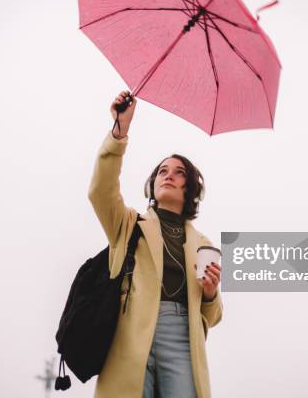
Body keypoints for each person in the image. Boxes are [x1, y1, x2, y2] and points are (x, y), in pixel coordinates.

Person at [88, 91, 223, 398]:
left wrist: (211, 294)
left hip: (183, 338)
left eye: (179, 173)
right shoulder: (129, 224)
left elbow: (212, 317)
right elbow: (100, 190)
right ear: (153, 183)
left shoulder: (203, 244)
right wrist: (119, 132)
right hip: (130, 333)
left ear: (190, 187)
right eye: (163, 171)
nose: (169, 176)